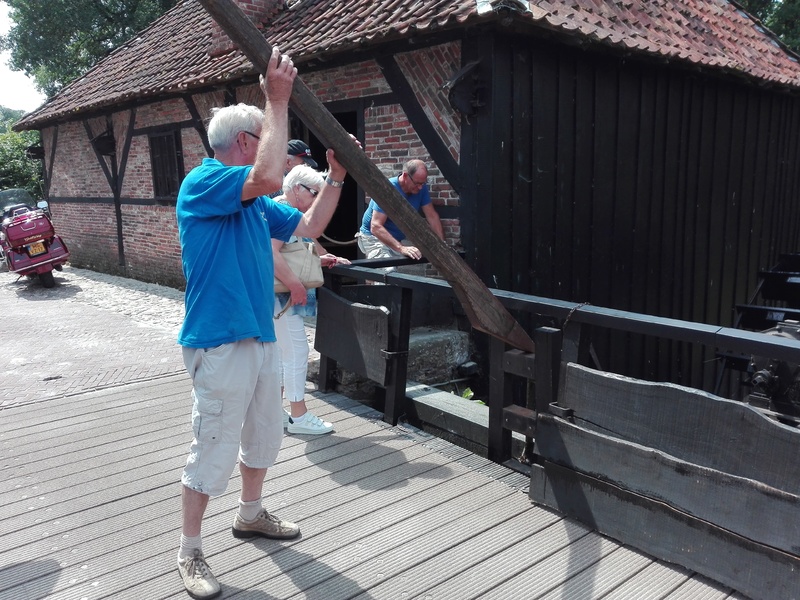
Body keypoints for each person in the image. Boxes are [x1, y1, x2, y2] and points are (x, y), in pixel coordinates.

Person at [174, 47, 349, 599]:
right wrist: (278, 98)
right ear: (247, 143)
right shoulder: (203, 183)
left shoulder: (252, 203)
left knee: (263, 435)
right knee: (213, 446)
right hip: (220, 341)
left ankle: (251, 514)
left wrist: (338, 179)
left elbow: (310, 225)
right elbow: (271, 173)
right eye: (268, 134)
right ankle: (190, 552)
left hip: (259, 333)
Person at [273, 165, 351, 435]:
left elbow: (297, 247)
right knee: (296, 351)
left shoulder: (284, 209)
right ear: (296, 189)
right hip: (281, 296)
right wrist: (296, 286)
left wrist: (321, 256)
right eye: (314, 193)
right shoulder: (282, 211)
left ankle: (275, 412)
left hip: (277, 295)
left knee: (284, 352)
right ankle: (299, 415)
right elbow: (270, 253)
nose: (317, 198)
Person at [357, 159, 444, 264]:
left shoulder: (421, 188)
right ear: (405, 175)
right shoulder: (387, 189)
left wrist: (442, 245)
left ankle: (371, 279)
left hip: (394, 238)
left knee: (391, 274)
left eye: (423, 183)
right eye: (417, 183)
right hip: (373, 237)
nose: (420, 187)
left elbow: (432, 216)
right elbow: (375, 226)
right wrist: (402, 248)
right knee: (388, 271)